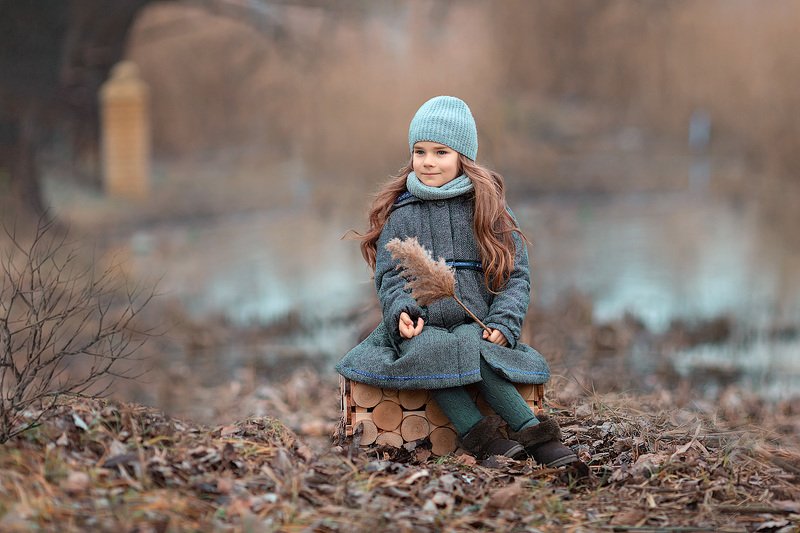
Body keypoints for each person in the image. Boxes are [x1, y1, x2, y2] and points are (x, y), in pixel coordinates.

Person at [336, 96, 577, 467]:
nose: (428, 161)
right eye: (420, 151)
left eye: (441, 152)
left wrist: (503, 322)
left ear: (462, 156)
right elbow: (390, 276)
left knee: (471, 345)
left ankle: (537, 436)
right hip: (422, 325)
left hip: (477, 321)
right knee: (428, 351)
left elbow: (516, 276)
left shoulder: (488, 207)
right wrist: (402, 310)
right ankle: (482, 440)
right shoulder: (402, 213)